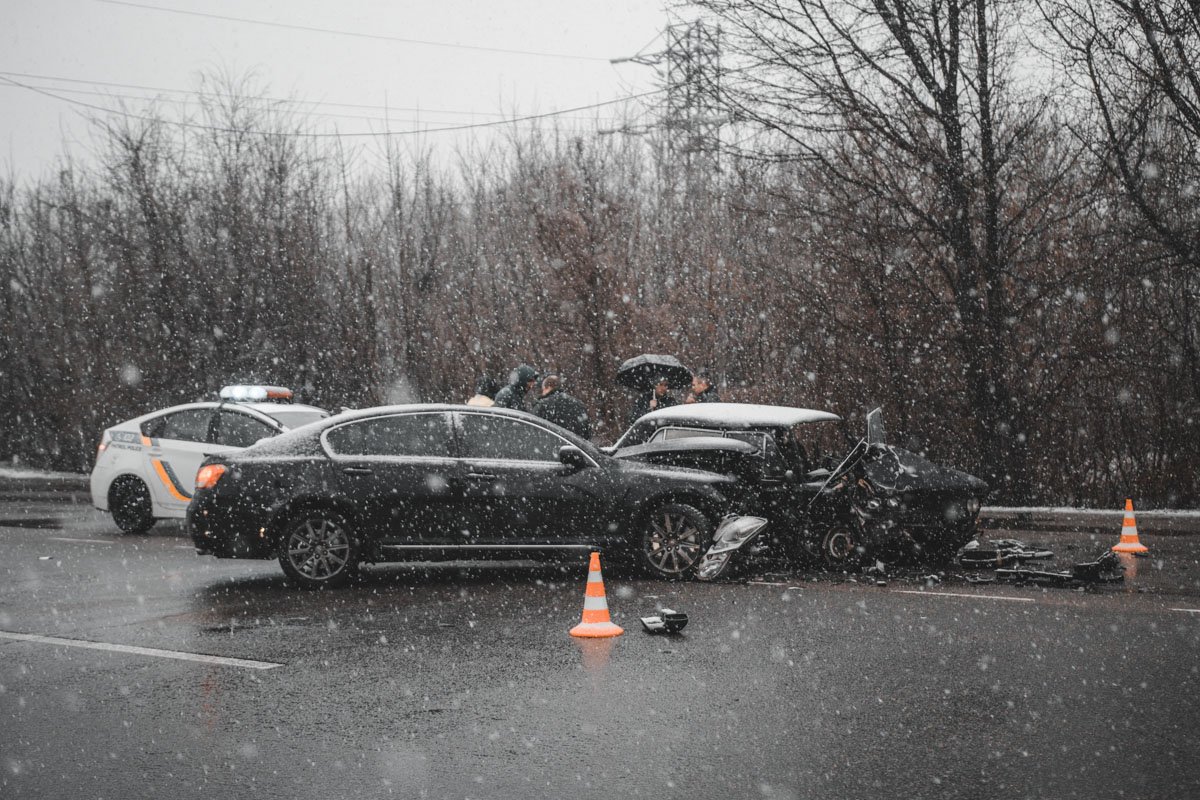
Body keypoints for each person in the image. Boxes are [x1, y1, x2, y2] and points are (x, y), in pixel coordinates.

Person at [533, 374, 592, 439]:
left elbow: (534, 429)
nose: (542, 393)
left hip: (550, 443)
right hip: (575, 444)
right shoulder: (578, 404)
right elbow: (587, 431)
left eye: (543, 389)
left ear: (548, 387)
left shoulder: (543, 405)